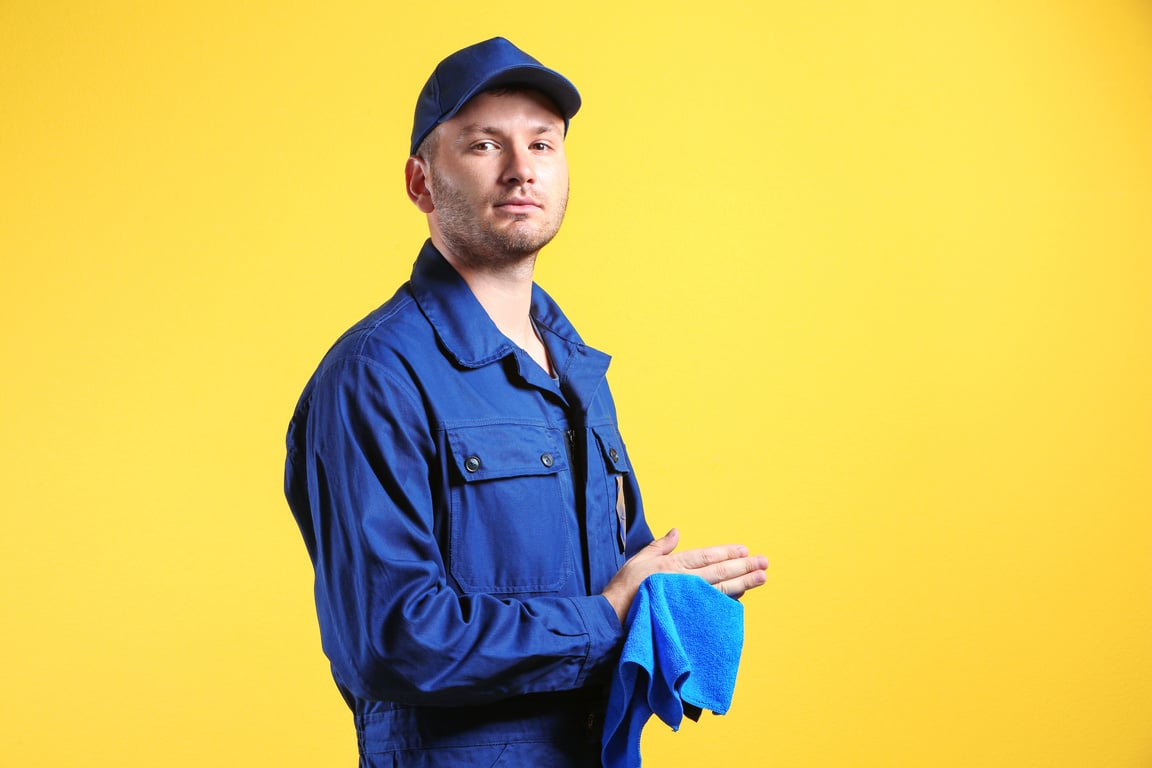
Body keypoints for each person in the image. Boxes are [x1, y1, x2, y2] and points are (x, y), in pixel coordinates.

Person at [284, 37, 769, 767]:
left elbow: (622, 583)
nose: (521, 169)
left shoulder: (575, 370)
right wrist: (608, 617)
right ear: (420, 182)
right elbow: (392, 639)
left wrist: (671, 599)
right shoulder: (376, 374)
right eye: (484, 144)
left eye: (542, 143)